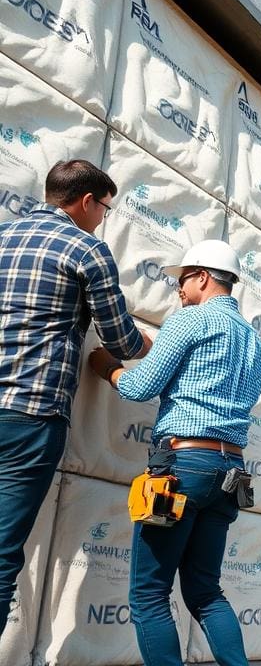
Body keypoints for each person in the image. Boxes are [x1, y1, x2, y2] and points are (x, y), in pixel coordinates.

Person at [89, 239, 261, 666]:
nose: (178, 289)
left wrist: (105, 366)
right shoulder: (256, 345)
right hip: (231, 473)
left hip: (181, 466)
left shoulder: (189, 322)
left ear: (203, 277)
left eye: (182, 279)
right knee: (205, 591)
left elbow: (138, 387)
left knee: (149, 593)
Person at [0, 160, 150, 634]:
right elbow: (121, 341)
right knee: (3, 553)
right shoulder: (87, 250)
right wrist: (151, 343)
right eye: (104, 207)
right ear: (86, 201)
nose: (103, 217)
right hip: (31, 413)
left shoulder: (3, 236)